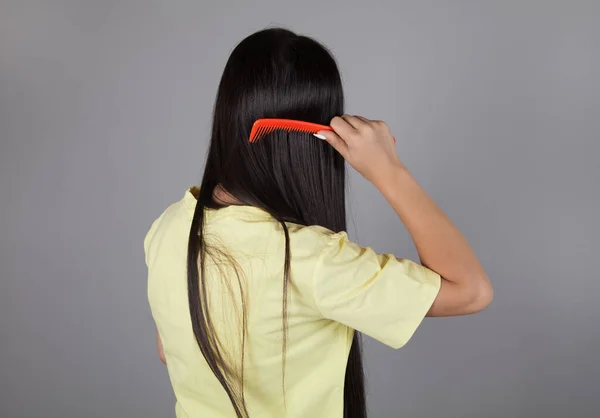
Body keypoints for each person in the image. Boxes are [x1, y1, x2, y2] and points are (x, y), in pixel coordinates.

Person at [143, 27, 493, 418]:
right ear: (314, 137)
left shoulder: (170, 226)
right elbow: (471, 290)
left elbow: (170, 349)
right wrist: (390, 172)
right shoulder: (310, 260)